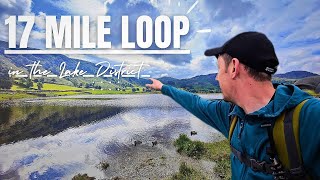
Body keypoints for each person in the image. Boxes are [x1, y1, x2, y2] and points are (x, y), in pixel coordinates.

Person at [146, 32, 320, 179]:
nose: (216, 78)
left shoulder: (310, 116)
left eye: (219, 69)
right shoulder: (231, 115)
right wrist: (163, 88)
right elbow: (195, 102)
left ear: (234, 68)